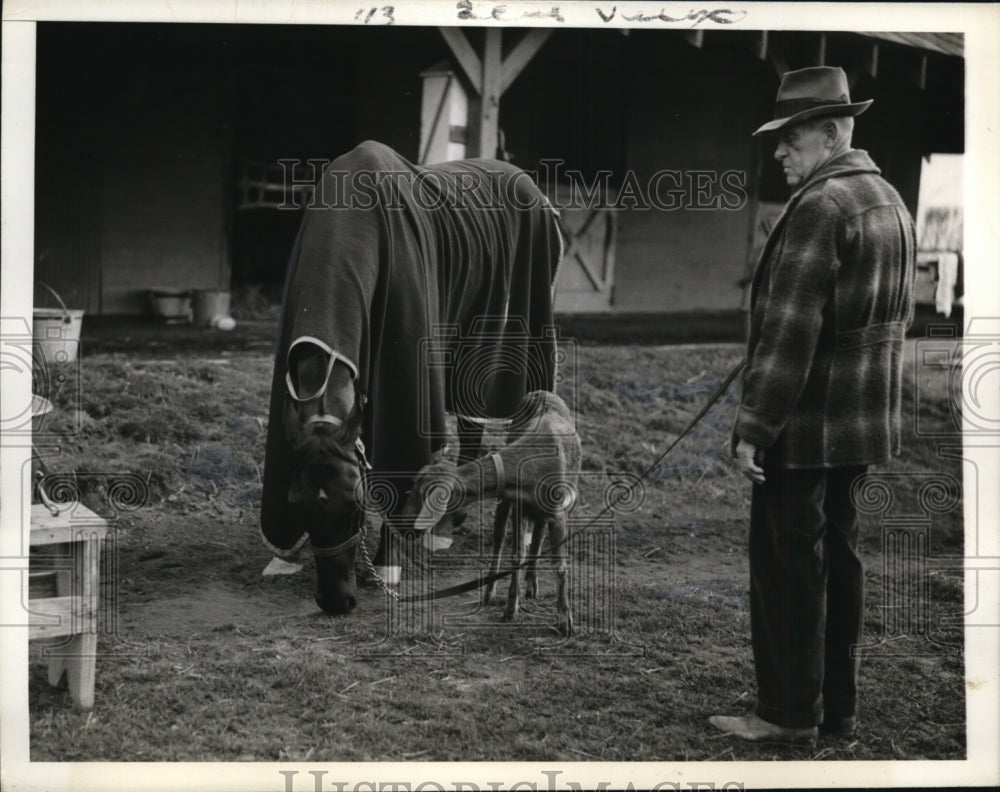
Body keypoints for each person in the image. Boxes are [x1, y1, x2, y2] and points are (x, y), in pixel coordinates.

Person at [711, 66, 916, 746]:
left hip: (804, 430)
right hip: (860, 429)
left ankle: (785, 715)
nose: (779, 153)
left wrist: (754, 427)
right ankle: (837, 715)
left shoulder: (821, 208)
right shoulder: (888, 200)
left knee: (789, 573)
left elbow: (792, 330)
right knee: (840, 568)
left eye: (791, 138)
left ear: (830, 134)